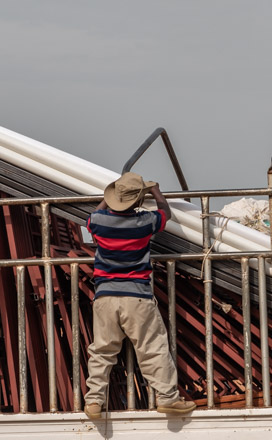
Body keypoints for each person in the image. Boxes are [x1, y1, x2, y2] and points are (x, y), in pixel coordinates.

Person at [83, 172, 196, 421]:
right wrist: (155, 191)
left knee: (102, 350)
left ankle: (93, 401)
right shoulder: (144, 223)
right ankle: (167, 399)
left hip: (105, 296)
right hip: (137, 296)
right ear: (137, 201)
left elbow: (93, 215)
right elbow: (165, 211)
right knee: (152, 348)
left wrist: (108, 194)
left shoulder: (99, 221)